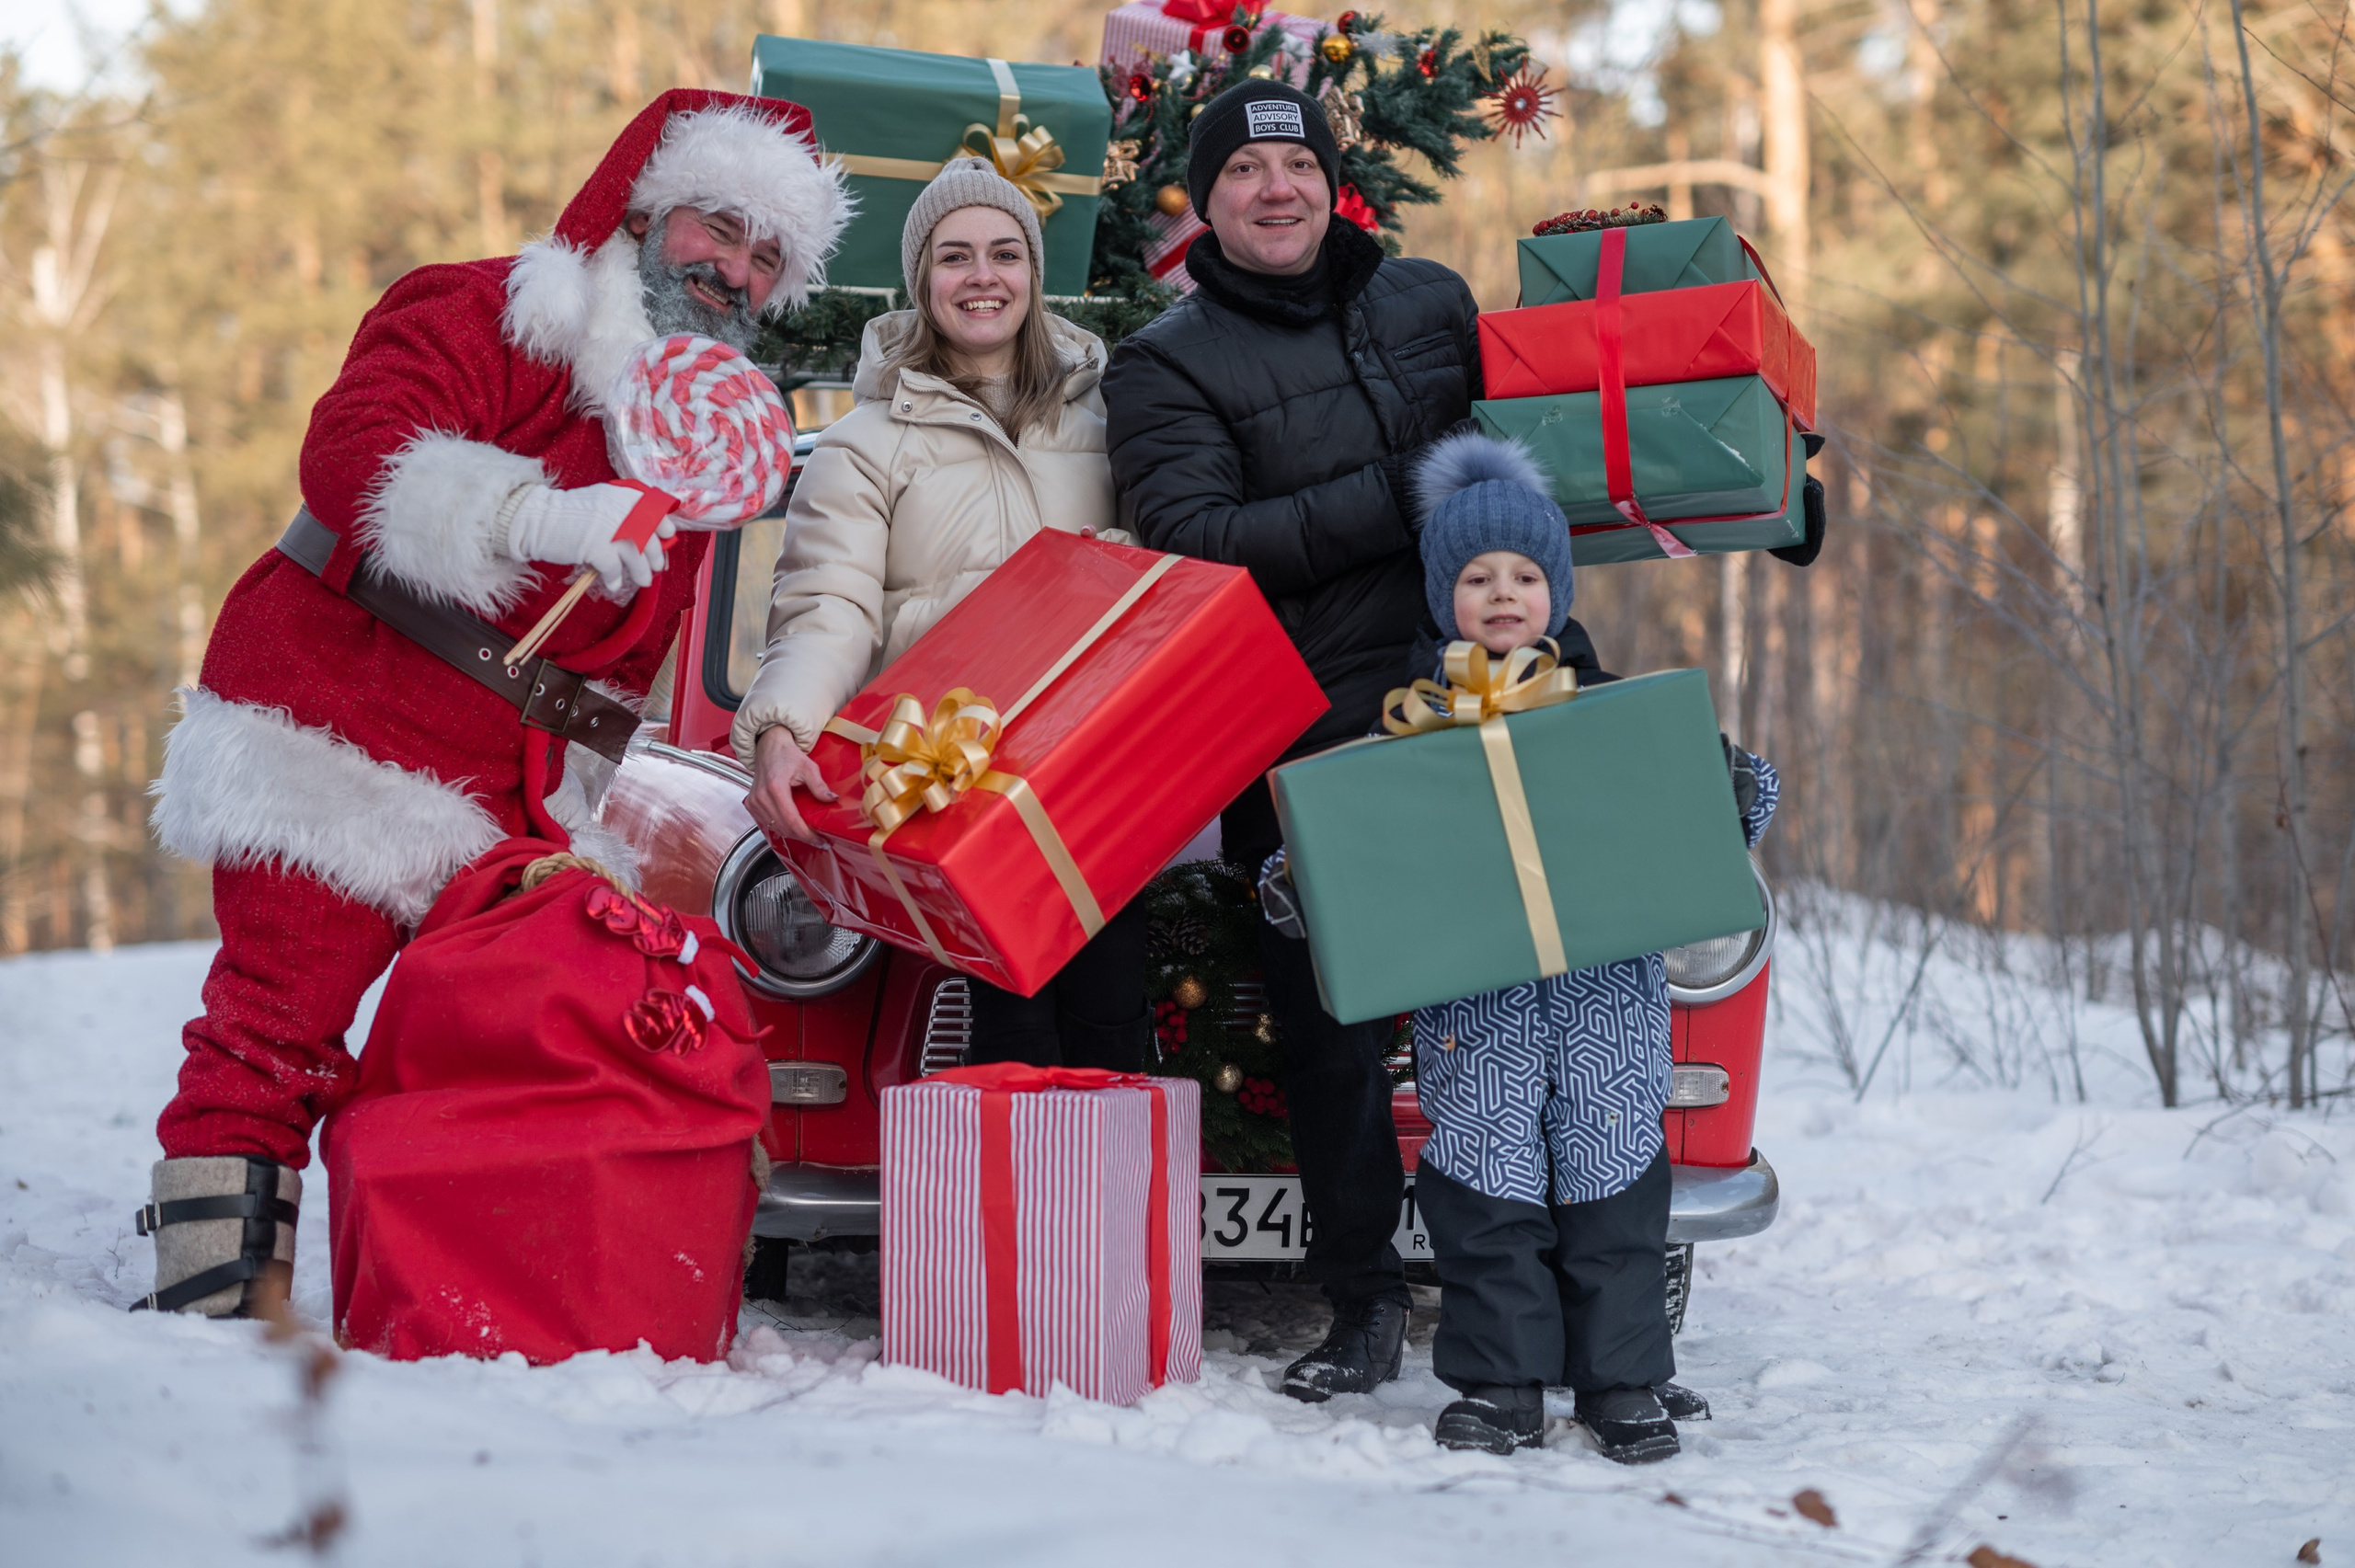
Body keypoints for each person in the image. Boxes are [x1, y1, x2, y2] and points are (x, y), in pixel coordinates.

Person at [140, 89, 850, 1318]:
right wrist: (540, 516)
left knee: (502, 1035)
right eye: (715, 227)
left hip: (519, 783)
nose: (733, 268)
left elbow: (627, 655)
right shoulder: (489, 308)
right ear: (645, 209)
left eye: (765, 256)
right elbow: (352, 451)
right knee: (278, 1019)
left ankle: (474, 1269)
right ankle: (213, 1296)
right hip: (349, 712)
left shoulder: (693, 426)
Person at [1099, 78, 1482, 1402]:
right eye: (1246, 170)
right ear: (1204, 200)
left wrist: (1754, 489)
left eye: (1297, 164)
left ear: (1333, 181)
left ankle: (1526, 1292)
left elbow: (1537, 462)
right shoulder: (1167, 363)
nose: (1278, 188)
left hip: (1483, 695)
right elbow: (1197, 545)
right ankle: (1364, 1299)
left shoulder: (1430, 301)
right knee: (1335, 1027)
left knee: (1510, 996)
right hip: (1309, 730)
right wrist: (1396, 496)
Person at [1396, 432, 1778, 1462]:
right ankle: (1500, 1380)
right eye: (1477, 576)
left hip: (1606, 1011)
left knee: (1614, 1195)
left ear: (1557, 590)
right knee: (1484, 1198)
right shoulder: (1410, 731)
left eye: (1525, 574)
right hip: (1477, 1018)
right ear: (1446, 596)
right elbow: (1355, 837)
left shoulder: (1614, 711)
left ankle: (1622, 1383)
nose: (1503, 593)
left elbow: (1719, 804)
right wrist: (1300, 883)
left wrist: (1735, 786)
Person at [735, 158, 1152, 1072]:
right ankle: (1006, 1217)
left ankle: (1115, 1217)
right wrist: (782, 725)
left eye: (1005, 253)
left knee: (1118, 1037)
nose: (982, 276)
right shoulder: (863, 446)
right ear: (922, 279)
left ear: (1035, 276)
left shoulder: (1109, 423)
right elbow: (826, 605)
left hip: (1092, 787)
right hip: (957, 791)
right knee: (1007, 1043)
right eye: (954, 256)